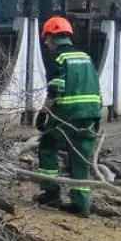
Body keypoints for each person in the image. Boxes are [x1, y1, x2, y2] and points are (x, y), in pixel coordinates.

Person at [34, 15, 103, 216]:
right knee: (81, 157)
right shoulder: (86, 57)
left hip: (66, 114)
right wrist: (97, 116)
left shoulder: (58, 58)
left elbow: (55, 90)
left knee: (48, 146)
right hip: (90, 113)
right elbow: (96, 87)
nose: (46, 43)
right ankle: (81, 204)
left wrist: (43, 113)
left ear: (53, 37)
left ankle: (51, 194)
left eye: (47, 39)